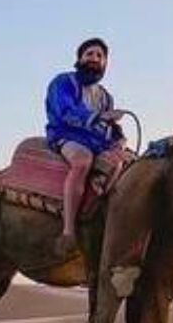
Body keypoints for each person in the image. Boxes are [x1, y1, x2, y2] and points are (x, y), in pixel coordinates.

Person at [44, 37, 126, 255]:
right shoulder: (63, 82)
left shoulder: (106, 97)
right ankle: (68, 230)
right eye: (89, 54)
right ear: (79, 58)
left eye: (100, 56)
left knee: (125, 165)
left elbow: (107, 125)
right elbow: (65, 112)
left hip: (97, 141)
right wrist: (100, 116)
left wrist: (118, 136)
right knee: (82, 161)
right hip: (66, 134)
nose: (94, 59)